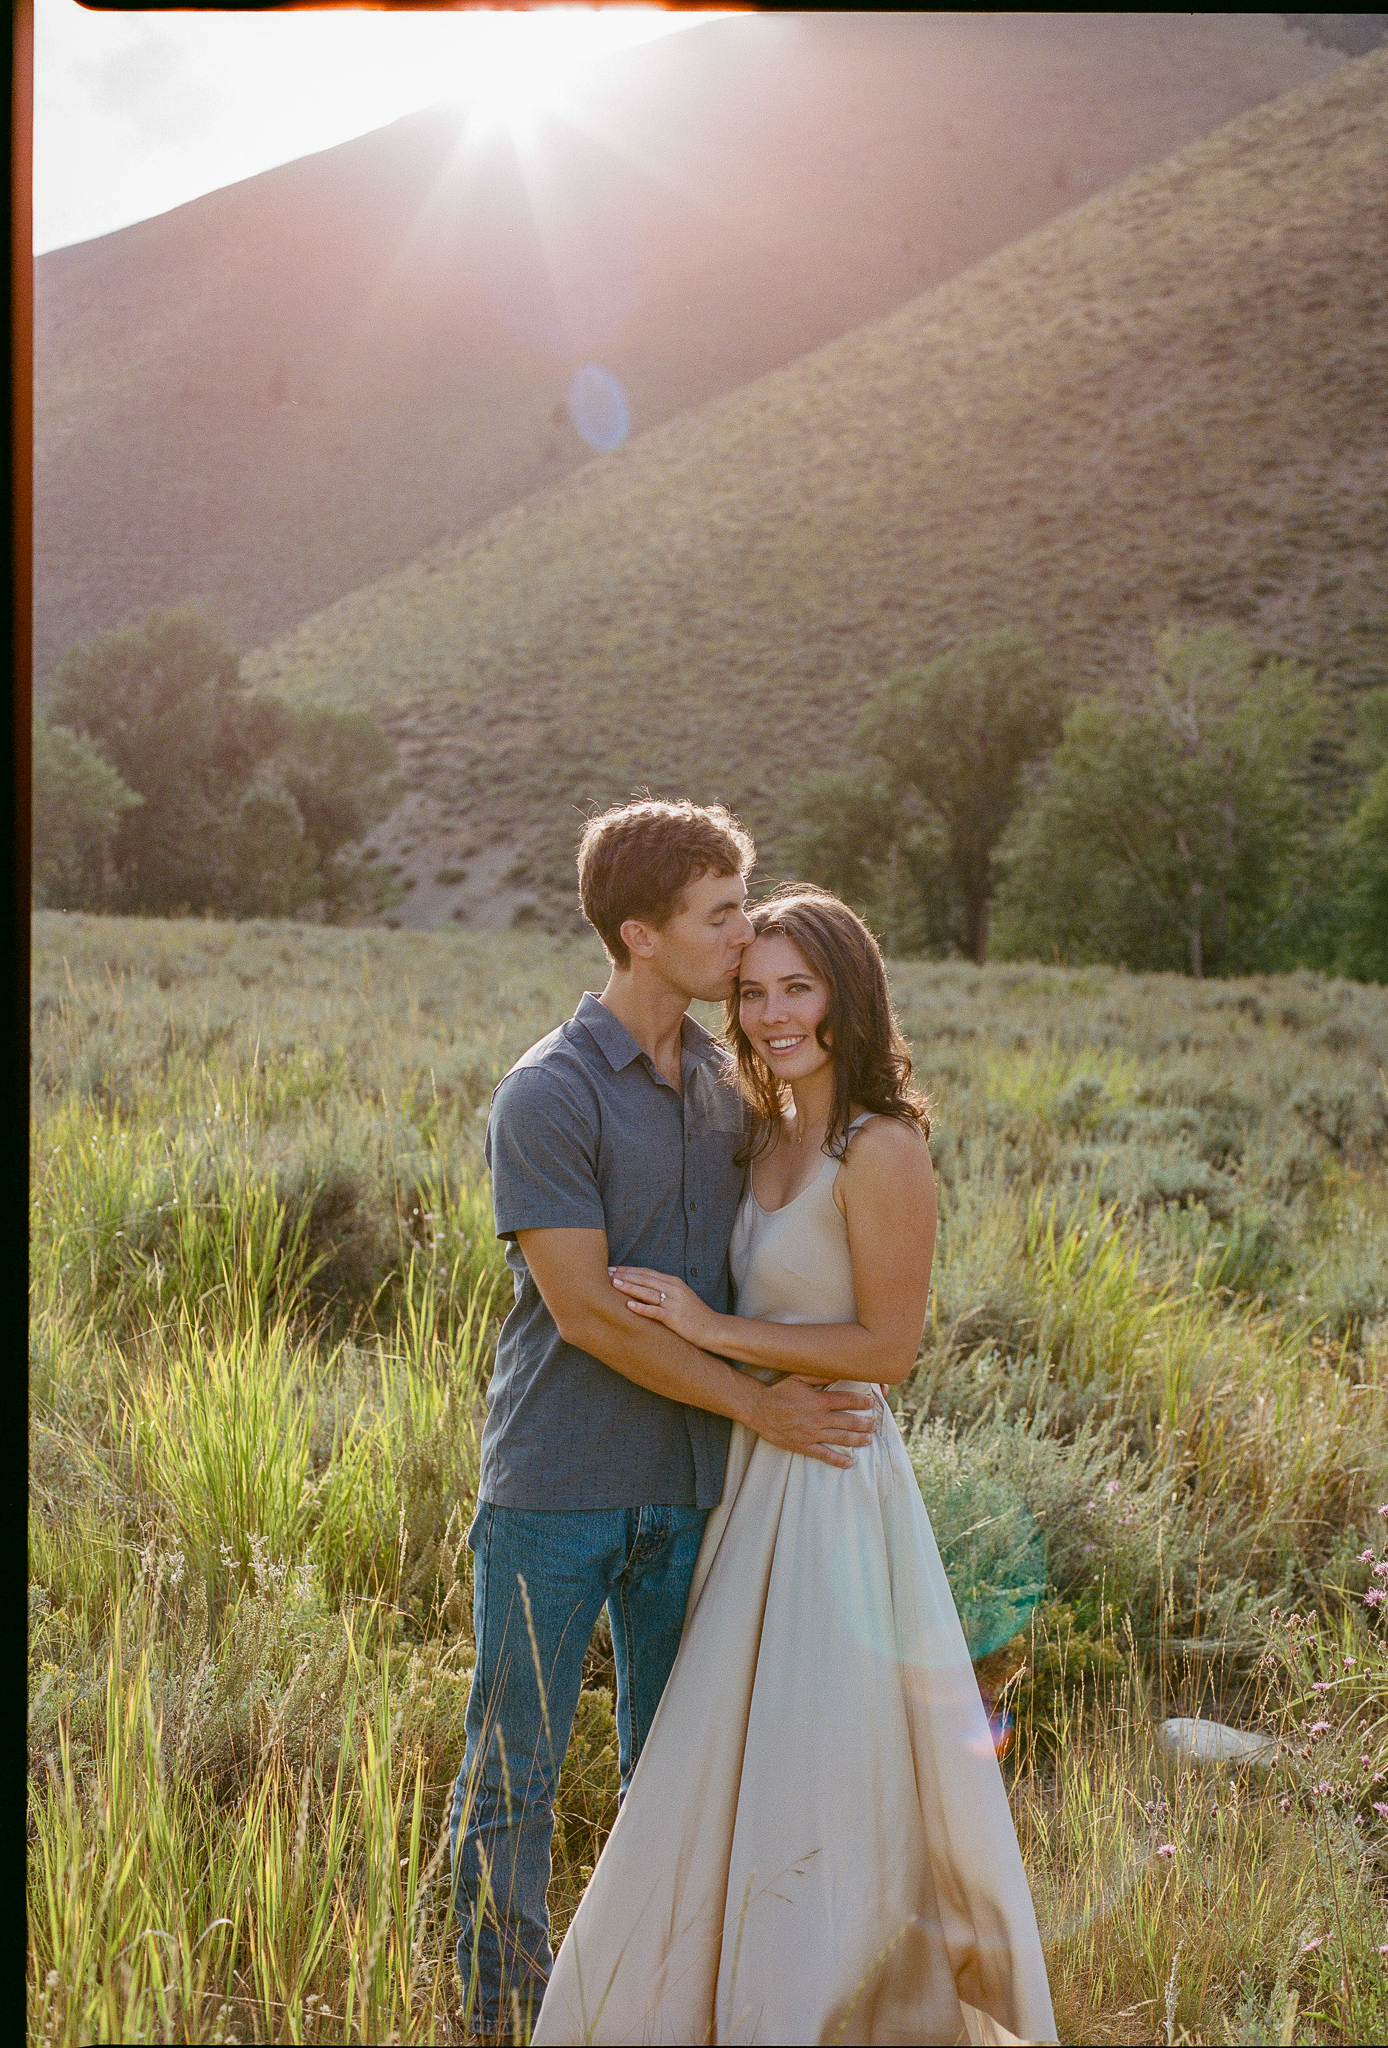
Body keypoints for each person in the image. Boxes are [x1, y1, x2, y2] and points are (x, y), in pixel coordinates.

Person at [531, 888, 1057, 2047]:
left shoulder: (882, 1143)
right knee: (716, 1757)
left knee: (821, 1751)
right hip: (749, 1470)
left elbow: (889, 1347)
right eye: (754, 988)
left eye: (798, 988)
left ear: (847, 993)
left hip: (830, 1472)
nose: (772, 1013)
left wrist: (712, 1332)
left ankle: (823, 2006)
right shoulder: (758, 1130)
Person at [449, 803, 880, 2045]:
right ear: (642, 934)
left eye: (743, 908)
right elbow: (585, 1313)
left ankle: (646, 2010)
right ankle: (500, 2017)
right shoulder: (548, 1091)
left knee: (674, 1775)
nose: (744, 934)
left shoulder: (725, 1083)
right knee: (514, 1773)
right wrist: (760, 1403)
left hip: (696, 1488)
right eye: (723, 913)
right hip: (557, 1484)